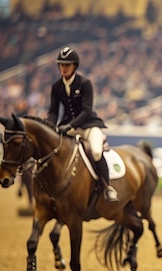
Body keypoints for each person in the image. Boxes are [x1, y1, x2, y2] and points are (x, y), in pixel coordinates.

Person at [46, 46, 119, 202]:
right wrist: (49, 126)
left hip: (88, 127)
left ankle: (107, 187)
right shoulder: (56, 87)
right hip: (68, 128)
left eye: (67, 65)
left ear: (74, 66)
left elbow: (86, 111)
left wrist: (70, 125)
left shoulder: (85, 84)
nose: (63, 68)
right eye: (61, 65)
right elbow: (53, 111)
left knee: (97, 152)